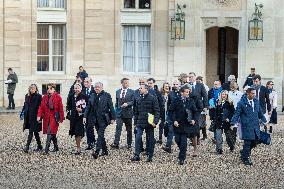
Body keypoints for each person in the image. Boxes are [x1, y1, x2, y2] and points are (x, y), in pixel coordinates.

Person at [231, 87, 267, 165]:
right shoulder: (241, 103)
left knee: (255, 141)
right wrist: (233, 122)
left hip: (255, 126)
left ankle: (244, 152)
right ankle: (245, 158)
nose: (254, 95)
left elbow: (260, 112)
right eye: (252, 93)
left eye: (255, 93)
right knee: (247, 142)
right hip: (246, 126)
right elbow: (237, 113)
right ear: (248, 93)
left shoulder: (256, 101)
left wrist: (264, 120)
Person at [83, 82, 115, 159]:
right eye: (95, 87)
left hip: (104, 119)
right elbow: (88, 107)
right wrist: (85, 116)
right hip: (94, 119)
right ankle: (105, 151)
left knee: (100, 134)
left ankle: (97, 151)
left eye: (98, 87)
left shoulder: (107, 95)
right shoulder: (92, 95)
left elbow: (111, 107)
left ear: (102, 87)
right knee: (100, 135)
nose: (96, 88)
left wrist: (113, 118)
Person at [169, 85, 197, 165]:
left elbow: (195, 111)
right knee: (178, 140)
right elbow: (170, 111)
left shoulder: (191, 101)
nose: (188, 93)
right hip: (177, 124)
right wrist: (174, 120)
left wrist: (194, 120)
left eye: (189, 92)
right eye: (186, 92)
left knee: (184, 141)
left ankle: (182, 158)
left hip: (187, 124)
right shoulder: (175, 100)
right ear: (181, 93)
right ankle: (183, 150)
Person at [131, 84, 160, 162]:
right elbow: (136, 112)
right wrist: (135, 123)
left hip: (149, 123)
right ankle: (137, 155)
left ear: (146, 89)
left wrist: (155, 122)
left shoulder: (153, 98)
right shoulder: (138, 99)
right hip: (140, 122)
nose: (139, 89)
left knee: (150, 139)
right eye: (139, 88)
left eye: (141, 88)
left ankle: (150, 155)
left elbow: (157, 111)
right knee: (137, 138)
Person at [37, 83, 64, 154]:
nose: (49, 90)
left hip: (54, 117)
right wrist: (39, 115)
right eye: (48, 88)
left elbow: (60, 108)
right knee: (53, 133)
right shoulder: (44, 97)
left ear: (54, 89)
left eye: (50, 88)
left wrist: (61, 118)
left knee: (49, 132)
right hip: (46, 117)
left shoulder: (58, 97)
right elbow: (41, 107)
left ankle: (46, 150)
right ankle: (56, 147)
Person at [111, 78, 134, 149]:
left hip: (128, 114)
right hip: (119, 114)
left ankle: (129, 144)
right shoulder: (118, 91)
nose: (127, 84)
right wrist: (115, 113)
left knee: (129, 129)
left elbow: (133, 101)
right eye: (125, 83)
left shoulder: (132, 92)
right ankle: (116, 143)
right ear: (122, 83)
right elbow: (116, 103)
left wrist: (127, 103)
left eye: (128, 83)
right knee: (118, 129)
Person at [21, 84, 42, 153]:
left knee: (31, 132)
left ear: (36, 89)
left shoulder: (39, 96)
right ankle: (40, 146)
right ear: (29, 89)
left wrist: (40, 116)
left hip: (35, 117)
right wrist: (22, 112)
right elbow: (25, 104)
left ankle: (27, 147)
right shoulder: (27, 96)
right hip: (28, 116)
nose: (32, 89)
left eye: (34, 88)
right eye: (31, 88)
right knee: (35, 132)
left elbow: (41, 107)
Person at [67, 83, 87, 155]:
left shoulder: (84, 96)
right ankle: (78, 147)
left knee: (78, 132)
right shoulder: (71, 96)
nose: (76, 89)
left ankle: (78, 148)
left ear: (81, 88)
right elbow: (68, 105)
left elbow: (88, 107)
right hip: (73, 117)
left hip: (81, 117)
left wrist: (82, 110)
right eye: (75, 88)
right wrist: (69, 112)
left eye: (78, 88)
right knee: (75, 132)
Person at [188, 72, 208, 143]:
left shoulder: (200, 85)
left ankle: (197, 139)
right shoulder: (187, 85)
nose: (190, 78)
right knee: (190, 122)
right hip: (189, 107)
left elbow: (205, 95)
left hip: (198, 107)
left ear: (195, 77)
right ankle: (192, 138)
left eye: (192, 77)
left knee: (197, 123)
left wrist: (205, 106)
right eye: (189, 77)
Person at [214, 90, 235, 154]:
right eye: (222, 94)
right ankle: (219, 149)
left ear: (227, 95)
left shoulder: (230, 103)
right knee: (218, 136)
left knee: (228, 137)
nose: (223, 96)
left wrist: (229, 118)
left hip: (226, 122)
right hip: (219, 122)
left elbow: (233, 112)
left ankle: (231, 146)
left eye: (225, 94)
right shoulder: (218, 102)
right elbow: (216, 112)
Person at [162, 80, 180, 153]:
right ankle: (168, 146)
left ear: (179, 85)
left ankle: (180, 146)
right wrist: (168, 116)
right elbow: (168, 106)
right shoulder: (171, 94)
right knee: (170, 131)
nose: (175, 85)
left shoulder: (183, 93)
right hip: (171, 116)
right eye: (174, 84)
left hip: (180, 116)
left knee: (180, 132)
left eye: (177, 84)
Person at [147, 78, 164, 144]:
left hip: (153, 113)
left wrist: (159, 114)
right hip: (147, 113)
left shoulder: (157, 92)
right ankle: (151, 140)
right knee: (148, 128)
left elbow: (160, 103)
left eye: (151, 83)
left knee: (151, 127)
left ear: (154, 83)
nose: (149, 85)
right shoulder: (146, 90)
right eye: (148, 83)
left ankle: (151, 143)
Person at [82, 77, 96, 150]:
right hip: (85, 112)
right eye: (85, 82)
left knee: (90, 127)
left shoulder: (94, 90)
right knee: (87, 128)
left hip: (93, 112)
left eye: (87, 82)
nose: (85, 83)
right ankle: (90, 143)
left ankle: (92, 142)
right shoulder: (83, 90)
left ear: (91, 82)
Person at [196, 76, 209, 140]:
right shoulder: (196, 87)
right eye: (197, 81)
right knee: (202, 121)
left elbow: (206, 97)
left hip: (203, 106)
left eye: (199, 81)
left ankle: (204, 135)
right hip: (200, 106)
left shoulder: (205, 87)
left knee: (202, 121)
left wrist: (205, 106)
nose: (198, 82)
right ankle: (204, 135)